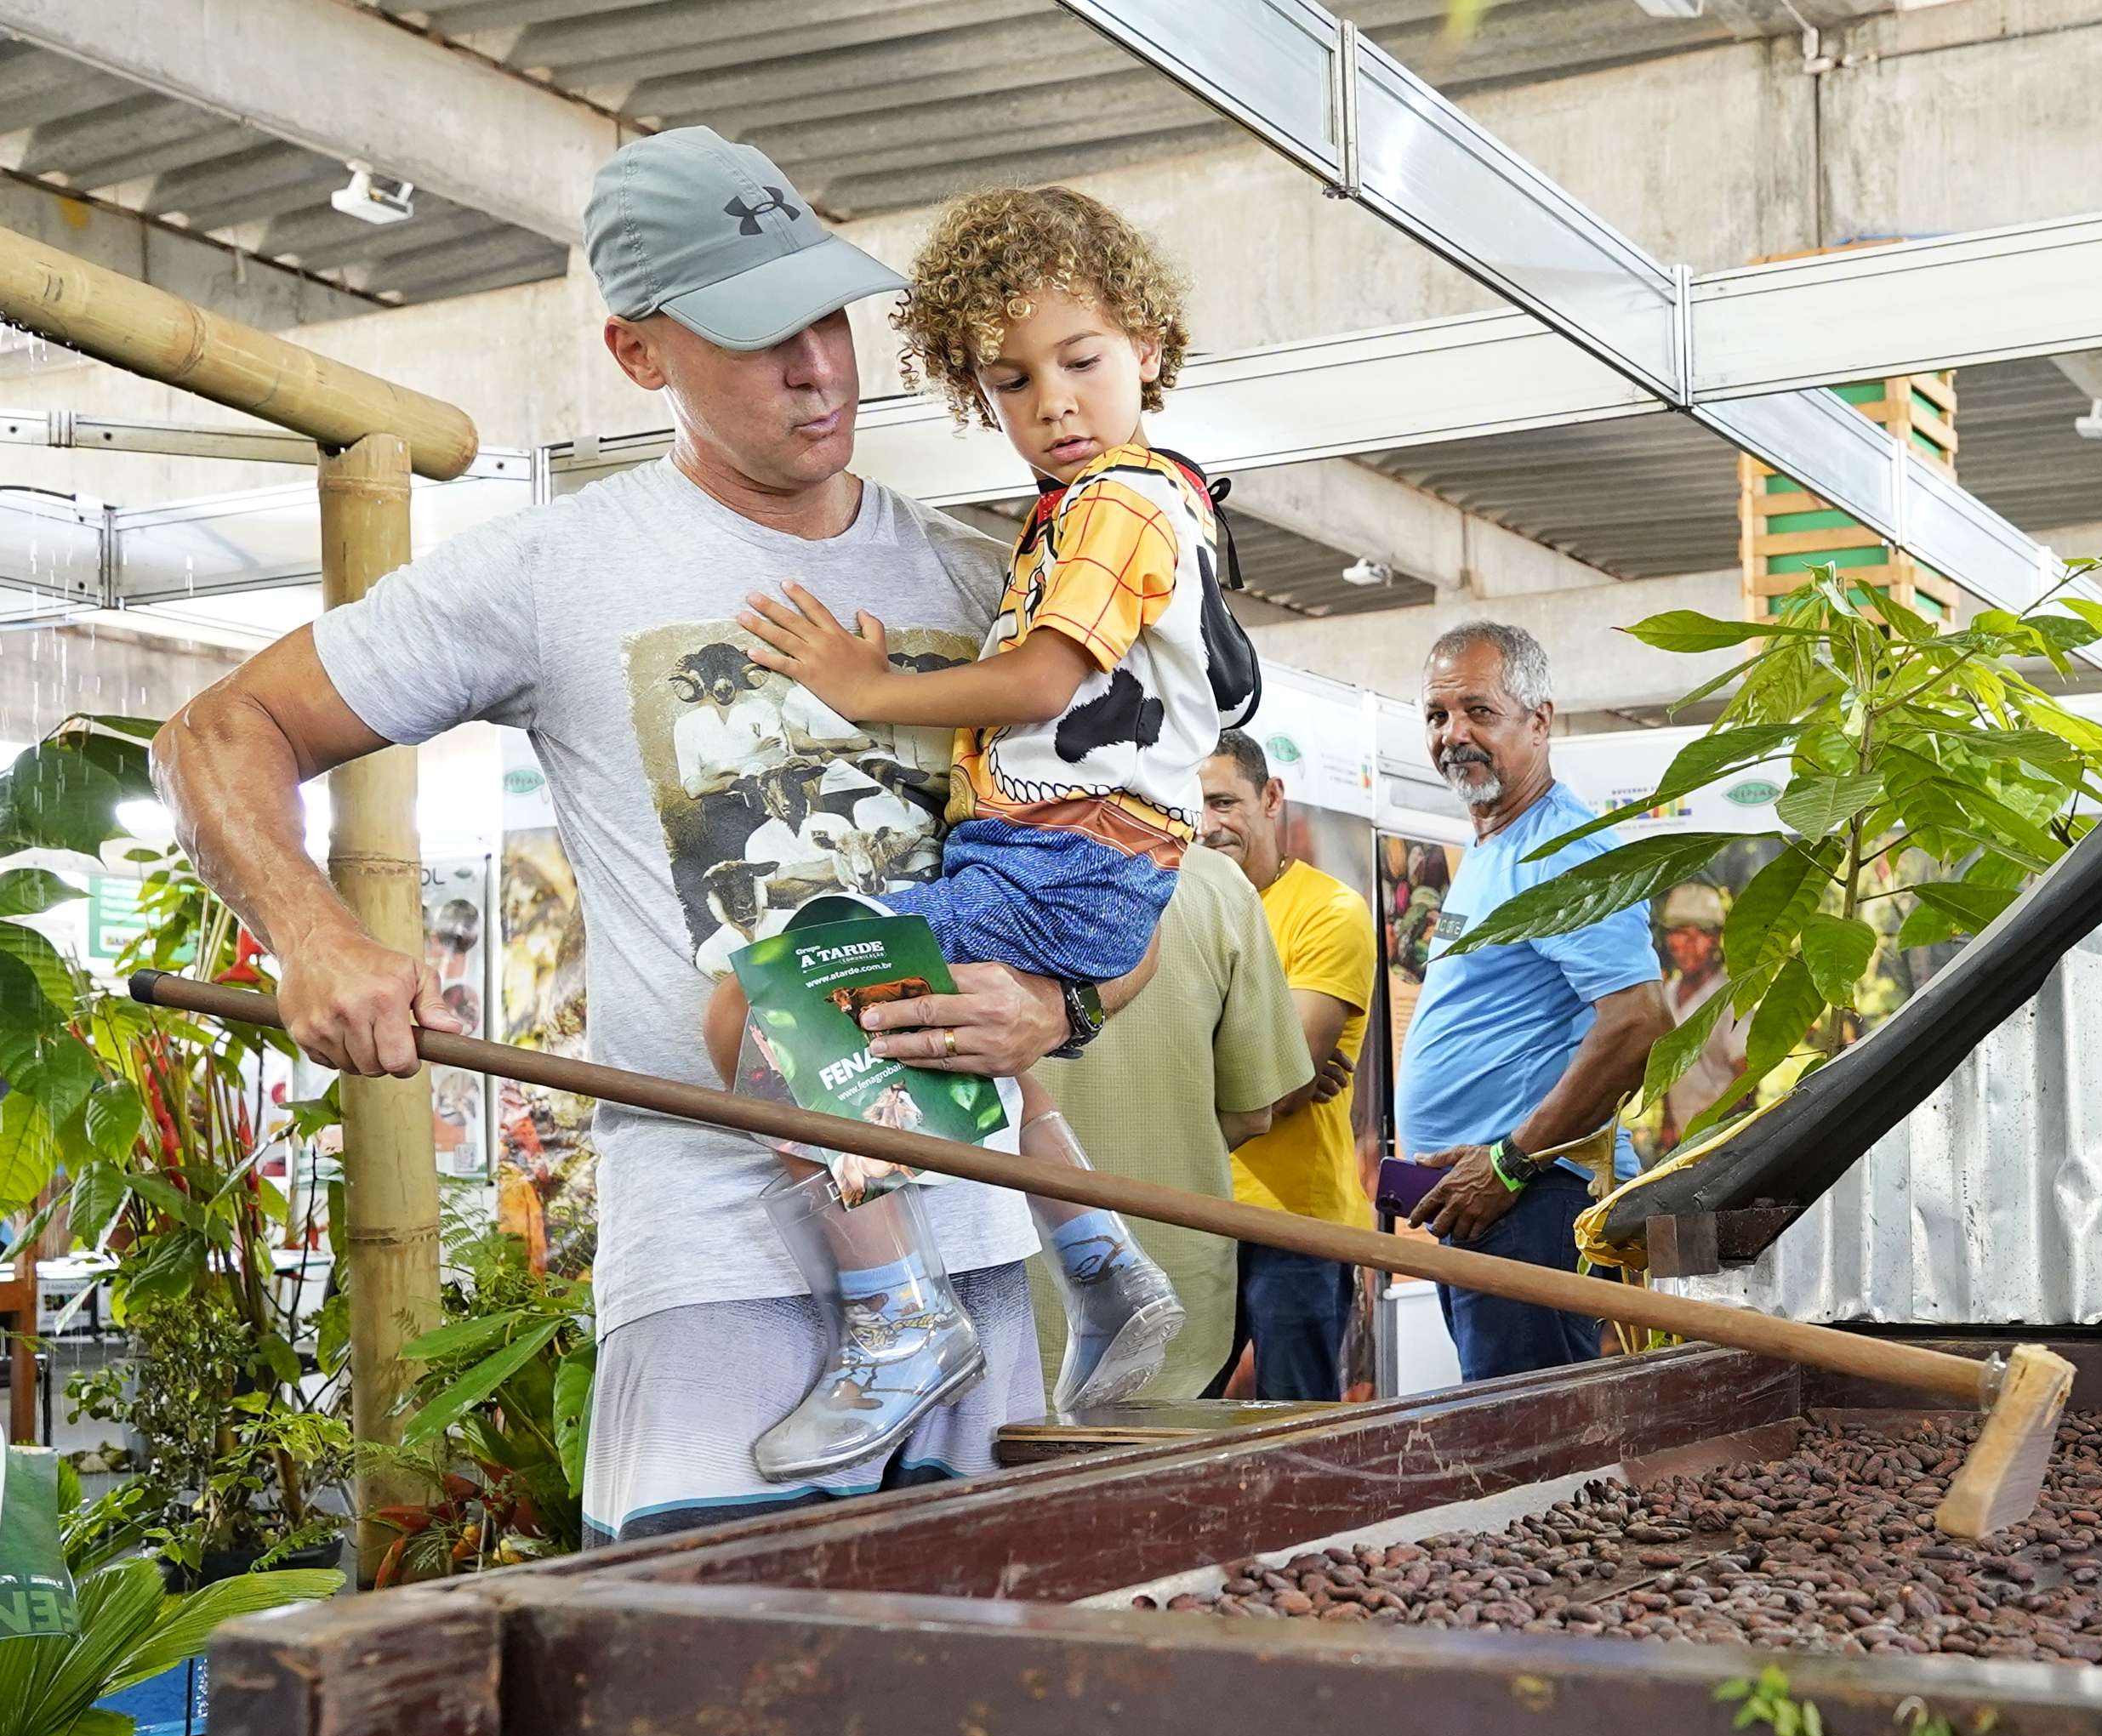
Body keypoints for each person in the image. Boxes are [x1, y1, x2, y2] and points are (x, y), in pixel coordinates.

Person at [149, 127, 1125, 1545]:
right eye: (755, 334)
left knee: (963, 1726)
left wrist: (1058, 1000)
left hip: (978, 1244)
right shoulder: (561, 570)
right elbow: (218, 735)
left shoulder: (990, 583)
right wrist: (314, 935)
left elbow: (1136, 870)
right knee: (702, 1714)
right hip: (720, 1266)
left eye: (828, 316)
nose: (820, 367)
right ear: (638, 352)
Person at [710, 181, 1264, 1476]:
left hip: (1066, 853)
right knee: (965, 1034)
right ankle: (1101, 1261)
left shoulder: (1117, 502)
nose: (1052, 404)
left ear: (1150, 348)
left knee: (762, 1017)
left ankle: (896, 1314)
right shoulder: (1143, 497)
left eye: (1081, 362)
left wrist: (865, 691)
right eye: (1010, 381)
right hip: (1066, 849)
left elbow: (1041, 682)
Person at [1396, 622, 1669, 1380]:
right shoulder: (1494, 845)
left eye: (1479, 712)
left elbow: (1639, 1021)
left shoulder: (1562, 849)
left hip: (1531, 1198)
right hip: (1483, 1196)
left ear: (1540, 721)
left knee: (1527, 1455)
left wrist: (1510, 1162)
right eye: (1437, 715)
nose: (1454, 735)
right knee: (1508, 1435)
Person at [1025, 843, 1311, 1405]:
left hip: (996, 1293)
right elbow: (1254, 1108)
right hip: (1173, 1288)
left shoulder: (935, 856)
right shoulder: (1212, 881)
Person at [1200, 730, 1373, 1399]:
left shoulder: (1329, 912)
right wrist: (1269, 1060)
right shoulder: (1169, 912)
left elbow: (1288, 1078)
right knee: (1170, 1420)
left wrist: (1274, 1069)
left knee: (1294, 1429)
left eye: (1222, 802)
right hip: (1191, 1210)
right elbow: (1275, 1081)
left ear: (1271, 796)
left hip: (1295, 1223)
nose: (1206, 826)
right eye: (1190, 807)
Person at [1653, 879, 1751, 1151]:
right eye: (1679, 933)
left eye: (1699, 934)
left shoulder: (1731, 1000)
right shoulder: (1668, 994)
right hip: (1683, 1146)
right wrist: (1668, 1123)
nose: (1687, 944)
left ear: (1715, 939)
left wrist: (1708, 1122)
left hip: (1723, 1143)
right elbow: (1667, 1069)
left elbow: (1747, 1080)